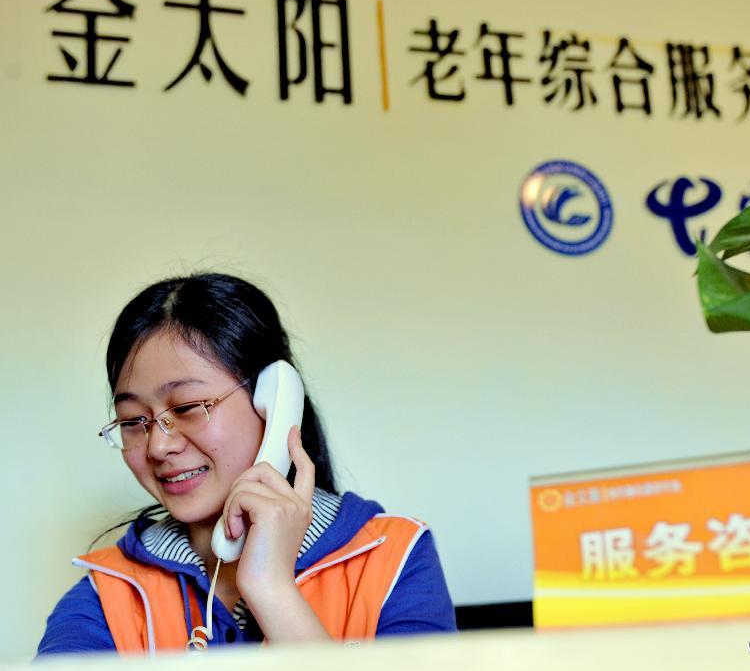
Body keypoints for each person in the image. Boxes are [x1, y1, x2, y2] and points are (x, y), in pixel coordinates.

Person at [37, 273, 456, 655]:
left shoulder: (396, 558)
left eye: (186, 407)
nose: (157, 446)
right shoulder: (105, 594)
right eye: (133, 421)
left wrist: (271, 590)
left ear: (275, 404)